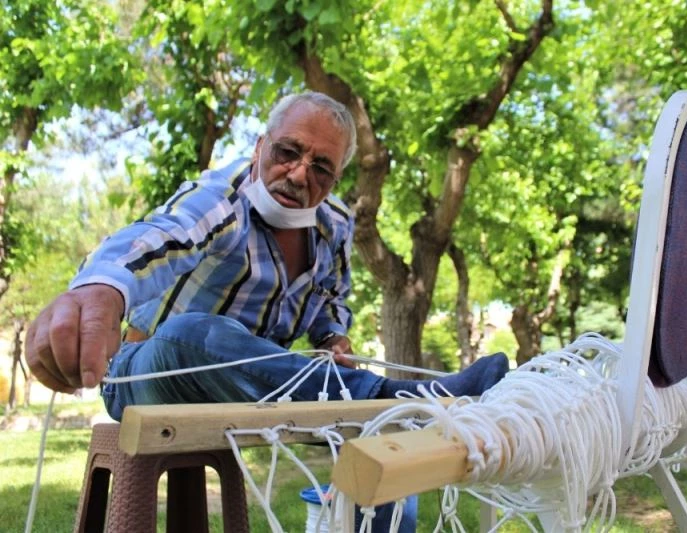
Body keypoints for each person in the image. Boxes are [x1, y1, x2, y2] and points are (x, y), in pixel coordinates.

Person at [25, 91, 509, 530]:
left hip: (255, 392)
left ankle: (389, 416)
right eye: (288, 152)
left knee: (380, 441)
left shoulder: (335, 227)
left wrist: (331, 338)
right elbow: (162, 237)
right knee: (187, 335)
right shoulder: (221, 198)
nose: (299, 175)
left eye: (321, 168)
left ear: (334, 180)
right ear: (260, 147)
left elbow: (332, 300)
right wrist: (103, 288)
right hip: (143, 374)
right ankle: (396, 402)